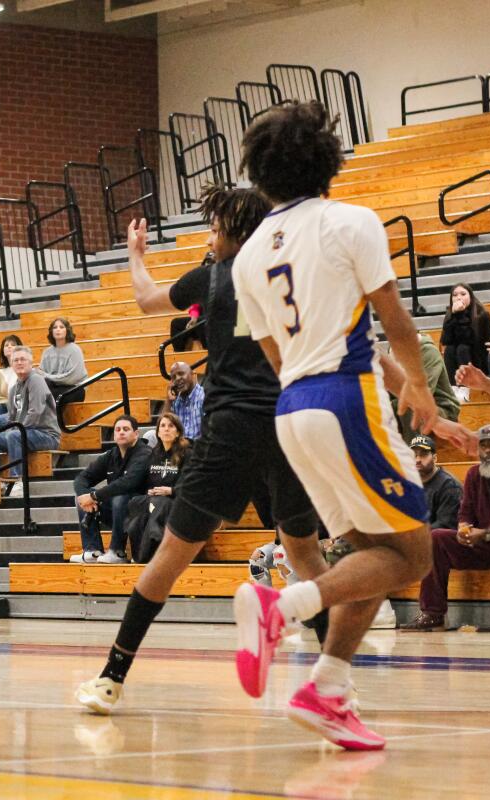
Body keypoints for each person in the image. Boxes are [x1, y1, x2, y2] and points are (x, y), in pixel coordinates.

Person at [230, 101, 476, 750]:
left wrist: (410, 397)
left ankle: (328, 688)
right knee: (413, 553)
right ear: (327, 158)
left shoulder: (250, 254)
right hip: (346, 403)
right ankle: (280, 607)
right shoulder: (349, 222)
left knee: (374, 552)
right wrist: (423, 390)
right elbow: (392, 319)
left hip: (294, 409)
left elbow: (284, 356)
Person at [74, 185, 329, 719]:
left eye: (214, 229)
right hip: (287, 424)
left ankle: (111, 678)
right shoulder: (291, 273)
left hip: (231, 429)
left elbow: (145, 300)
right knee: (306, 555)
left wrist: (136, 256)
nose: (209, 238)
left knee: (171, 556)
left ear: (233, 231)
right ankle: (335, 677)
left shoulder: (211, 277)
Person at [401, 425, 490, 631]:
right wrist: (463, 527)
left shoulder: (447, 485)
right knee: (436, 538)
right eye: (484, 445)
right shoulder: (473, 474)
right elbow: (466, 511)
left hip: (489, 539)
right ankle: (433, 614)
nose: (488, 450)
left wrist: (486, 533)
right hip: (482, 544)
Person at [70, 415, 152, 564]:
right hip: (117, 513)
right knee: (80, 497)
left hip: (140, 513)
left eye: (126, 429)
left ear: (136, 434)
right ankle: (92, 550)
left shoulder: (144, 453)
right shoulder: (111, 455)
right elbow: (81, 478)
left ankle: (117, 552)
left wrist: (94, 496)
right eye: (118, 429)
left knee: (120, 497)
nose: (121, 432)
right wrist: (84, 495)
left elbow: (127, 483)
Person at [0, 346, 61, 499]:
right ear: (11, 364)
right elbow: (12, 418)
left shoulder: (36, 380)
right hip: (25, 433)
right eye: (15, 360)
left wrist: (14, 431)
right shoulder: (14, 388)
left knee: (13, 436)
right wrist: (11, 430)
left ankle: (18, 480)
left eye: (23, 359)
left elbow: (35, 413)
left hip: (46, 434)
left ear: (31, 362)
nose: (19, 363)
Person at [126, 413, 190, 564]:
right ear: (158, 432)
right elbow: (141, 482)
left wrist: (171, 491)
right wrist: (147, 491)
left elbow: (192, 485)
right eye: (163, 426)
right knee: (135, 503)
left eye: (170, 426)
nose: (166, 429)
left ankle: (148, 552)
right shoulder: (152, 454)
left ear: (178, 432)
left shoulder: (187, 454)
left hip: (176, 500)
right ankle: (139, 554)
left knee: (160, 504)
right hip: (153, 500)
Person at [441, 282, 490, 401]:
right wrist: (455, 316)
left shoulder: (482, 314)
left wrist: (460, 315)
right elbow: (446, 340)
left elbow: (471, 341)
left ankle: (465, 388)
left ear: (471, 296)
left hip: (478, 359)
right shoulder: (450, 314)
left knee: (462, 348)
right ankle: (453, 387)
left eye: (463, 294)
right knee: (449, 349)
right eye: (455, 295)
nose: (459, 298)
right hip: (458, 358)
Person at [410, 435, 462, 531]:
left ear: (435, 458)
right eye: (414, 455)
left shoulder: (449, 486)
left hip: (437, 541)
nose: (417, 460)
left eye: (423, 454)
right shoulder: (410, 482)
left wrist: (413, 535)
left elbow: (444, 526)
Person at [40, 317, 88, 415]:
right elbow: (41, 375)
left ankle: (51, 423)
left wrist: (48, 376)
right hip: (54, 387)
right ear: (51, 331)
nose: (58, 329)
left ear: (67, 330)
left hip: (74, 388)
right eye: (55, 327)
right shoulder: (46, 352)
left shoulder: (75, 350)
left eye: (61, 327)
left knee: (54, 395)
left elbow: (72, 378)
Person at [162, 361, 204, 439]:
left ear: (192, 374)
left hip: (199, 447)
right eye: (173, 377)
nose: (177, 378)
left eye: (181, 374)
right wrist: (168, 400)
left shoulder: (204, 396)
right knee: (150, 435)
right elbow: (162, 429)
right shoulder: (175, 401)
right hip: (179, 448)